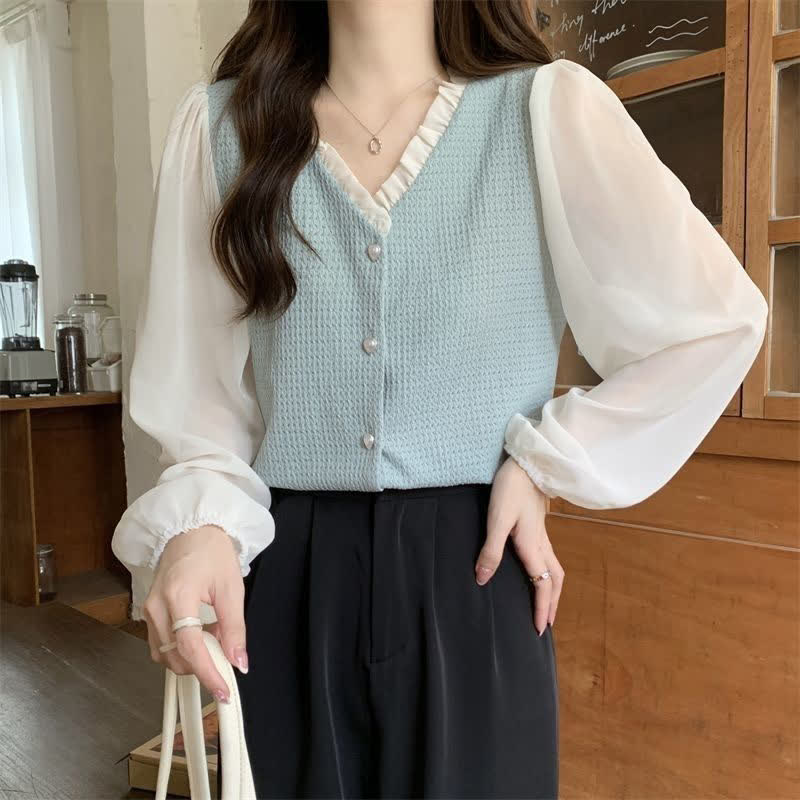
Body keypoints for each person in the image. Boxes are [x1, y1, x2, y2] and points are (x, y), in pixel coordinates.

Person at [111, 1, 769, 798]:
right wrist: (200, 527)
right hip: (287, 577)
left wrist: (544, 463)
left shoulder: (545, 111)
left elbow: (712, 323)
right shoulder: (221, 131)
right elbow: (200, 407)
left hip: (476, 571)